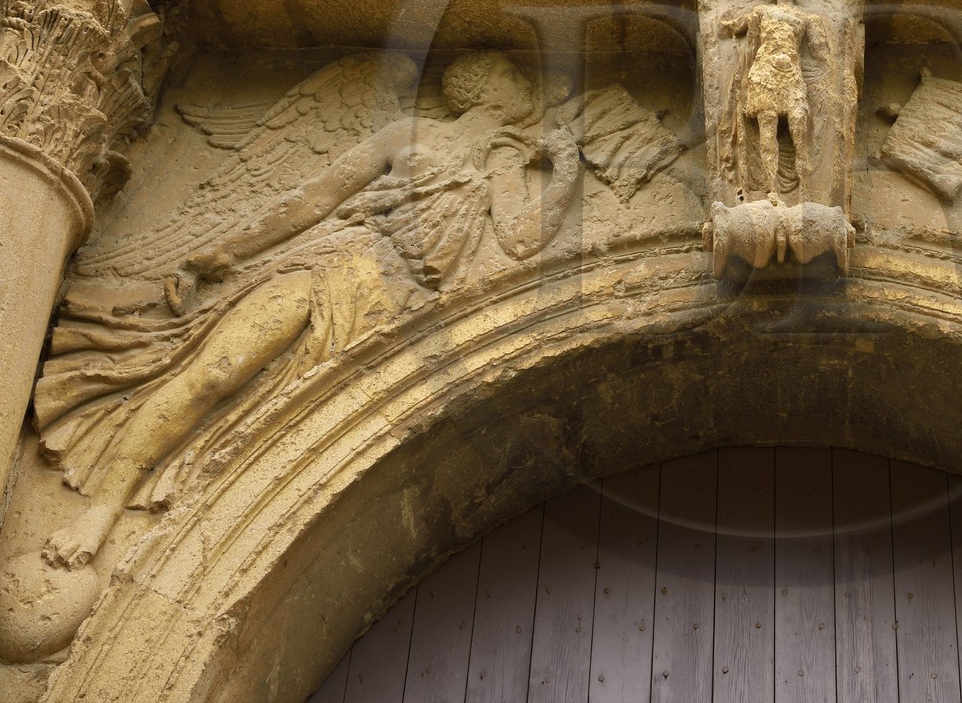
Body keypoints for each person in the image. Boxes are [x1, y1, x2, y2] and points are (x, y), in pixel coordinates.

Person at [36, 52, 581, 570]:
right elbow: (316, 199)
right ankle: (101, 511)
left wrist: (564, 175)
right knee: (216, 374)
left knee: (300, 432)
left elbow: (518, 242)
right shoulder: (409, 134)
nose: (525, 89)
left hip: (390, 302)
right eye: (513, 76)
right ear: (480, 87)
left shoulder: (503, 158)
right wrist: (224, 252)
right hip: (337, 259)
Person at [719, 0, 830, 202]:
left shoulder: (808, 18)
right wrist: (745, 85)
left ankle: (805, 191)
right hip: (764, 75)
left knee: (799, 135)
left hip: (791, 77)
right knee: (767, 135)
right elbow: (751, 43)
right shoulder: (760, 11)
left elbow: (821, 55)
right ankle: (772, 191)